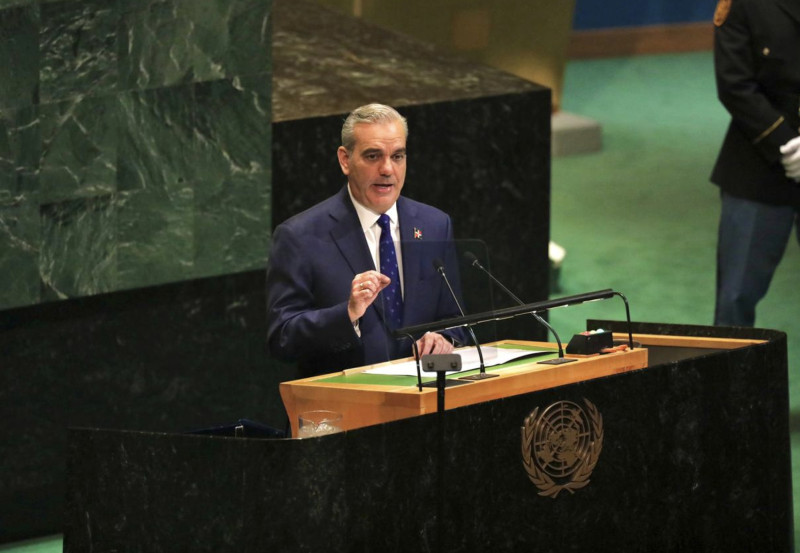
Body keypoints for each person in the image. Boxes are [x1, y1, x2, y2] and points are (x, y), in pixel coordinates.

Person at [266, 103, 466, 375]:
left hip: (425, 404)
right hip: (346, 408)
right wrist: (347, 314)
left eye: (397, 156)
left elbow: (455, 318)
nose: (387, 169)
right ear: (345, 160)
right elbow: (282, 337)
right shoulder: (300, 236)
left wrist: (444, 338)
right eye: (373, 156)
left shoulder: (434, 225)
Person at [710, 0, 800, 327]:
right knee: (736, 299)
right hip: (759, 164)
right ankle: (729, 379)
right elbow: (734, 83)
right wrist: (787, 144)